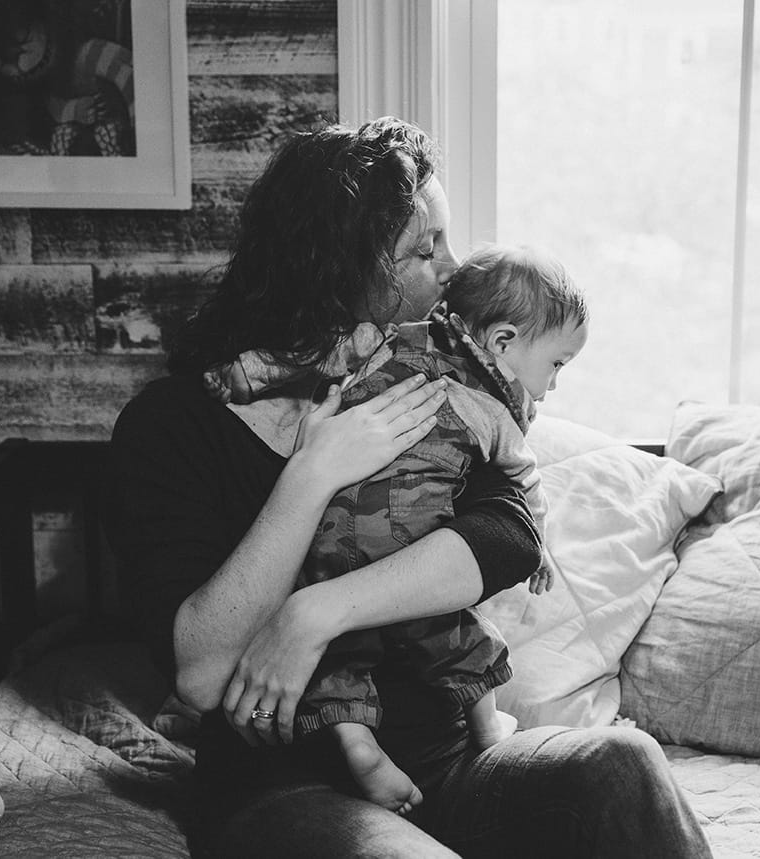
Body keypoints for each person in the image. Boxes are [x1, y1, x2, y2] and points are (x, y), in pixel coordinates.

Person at [105, 116, 713, 858]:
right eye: (425, 250)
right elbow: (202, 672)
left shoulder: (436, 382)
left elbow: (507, 537)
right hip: (288, 785)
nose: (453, 269)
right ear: (339, 268)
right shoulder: (173, 426)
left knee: (623, 762)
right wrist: (312, 474)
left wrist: (312, 613)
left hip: (453, 765)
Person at [217, 243, 590, 815]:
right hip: (409, 544)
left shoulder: (387, 341)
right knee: (459, 635)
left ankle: (357, 744)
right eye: (558, 364)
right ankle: (488, 728)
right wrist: (541, 546)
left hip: (331, 533)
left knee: (340, 655)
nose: (555, 383)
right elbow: (526, 484)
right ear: (502, 342)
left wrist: (243, 375)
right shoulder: (490, 412)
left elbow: (306, 359)